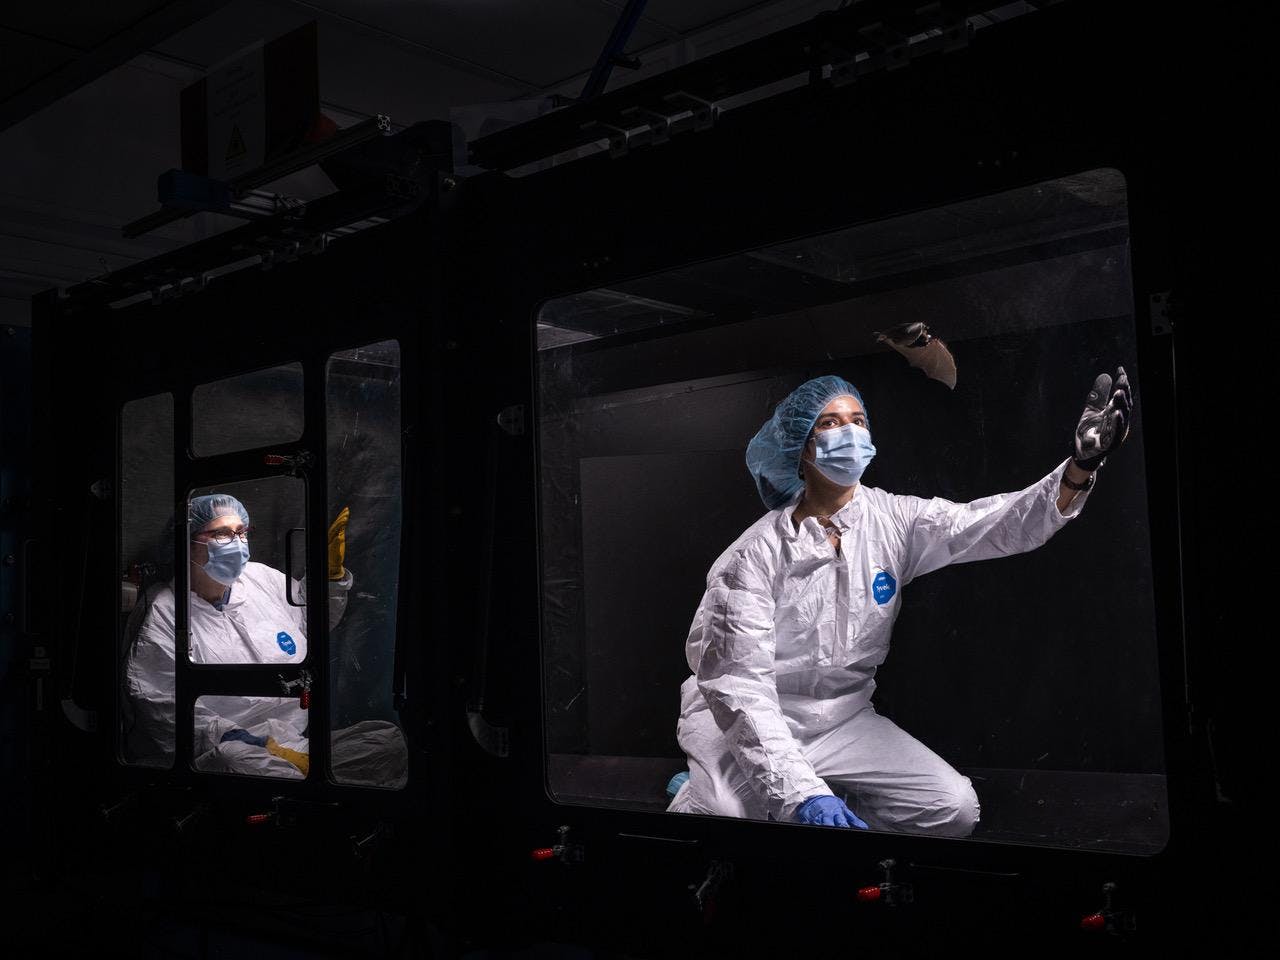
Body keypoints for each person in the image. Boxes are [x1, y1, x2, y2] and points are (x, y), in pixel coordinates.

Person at [666, 369, 1133, 834]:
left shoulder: (893, 520)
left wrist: (1080, 468)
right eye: (829, 423)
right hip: (743, 722)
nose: (849, 432)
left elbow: (990, 523)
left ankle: (825, 795)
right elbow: (739, 687)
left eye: (858, 420)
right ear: (802, 448)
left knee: (952, 809)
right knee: (724, 820)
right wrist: (802, 795)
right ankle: (698, 790)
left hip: (840, 719)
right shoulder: (752, 557)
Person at [126, 493, 394, 780]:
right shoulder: (166, 612)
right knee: (237, 762)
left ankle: (310, 781)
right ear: (186, 544)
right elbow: (160, 700)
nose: (237, 543)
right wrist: (242, 739)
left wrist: (330, 579)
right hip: (225, 748)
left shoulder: (261, 579)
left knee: (386, 741)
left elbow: (311, 621)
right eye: (222, 534)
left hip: (292, 739)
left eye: (242, 532)